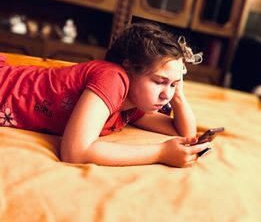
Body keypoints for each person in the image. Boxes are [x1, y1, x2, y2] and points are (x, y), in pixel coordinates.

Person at [0, 22, 210, 167]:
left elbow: (183, 131)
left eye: (173, 84)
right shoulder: (113, 77)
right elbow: (75, 152)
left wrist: (178, 95)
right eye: (159, 82)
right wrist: (161, 153)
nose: (166, 95)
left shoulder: (131, 107)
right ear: (128, 68)